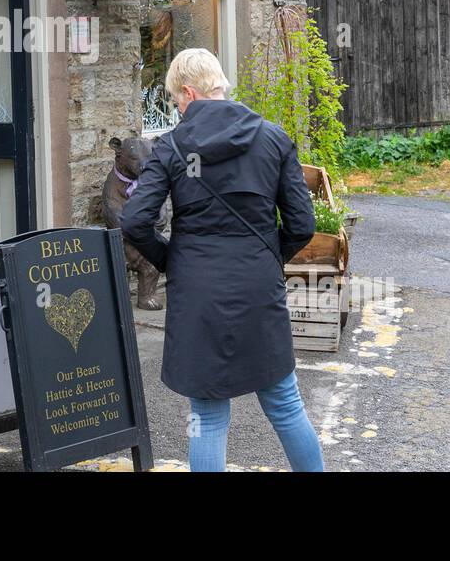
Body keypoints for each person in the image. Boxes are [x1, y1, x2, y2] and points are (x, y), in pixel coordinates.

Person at [120, 48, 324, 472]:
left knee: (207, 417)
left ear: (190, 93)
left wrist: (173, 261)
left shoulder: (172, 147)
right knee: (285, 404)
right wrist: (268, 256)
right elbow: (302, 224)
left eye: (176, 100)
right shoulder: (272, 137)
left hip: (197, 290)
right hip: (257, 283)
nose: (177, 109)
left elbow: (137, 221)